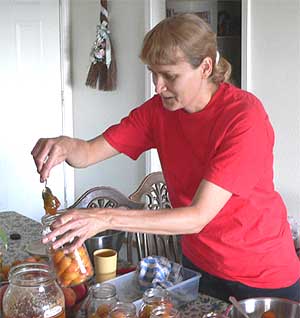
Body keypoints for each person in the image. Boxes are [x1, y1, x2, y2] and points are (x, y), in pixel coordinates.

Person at [31, 13, 300, 302]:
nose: (158, 87)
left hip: (261, 275)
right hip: (200, 267)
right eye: (153, 73)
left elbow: (198, 217)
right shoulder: (158, 112)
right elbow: (87, 153)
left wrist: (103, 217)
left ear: (205, 67)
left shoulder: (243, 118)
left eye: (170, 76)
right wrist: (66, 145)